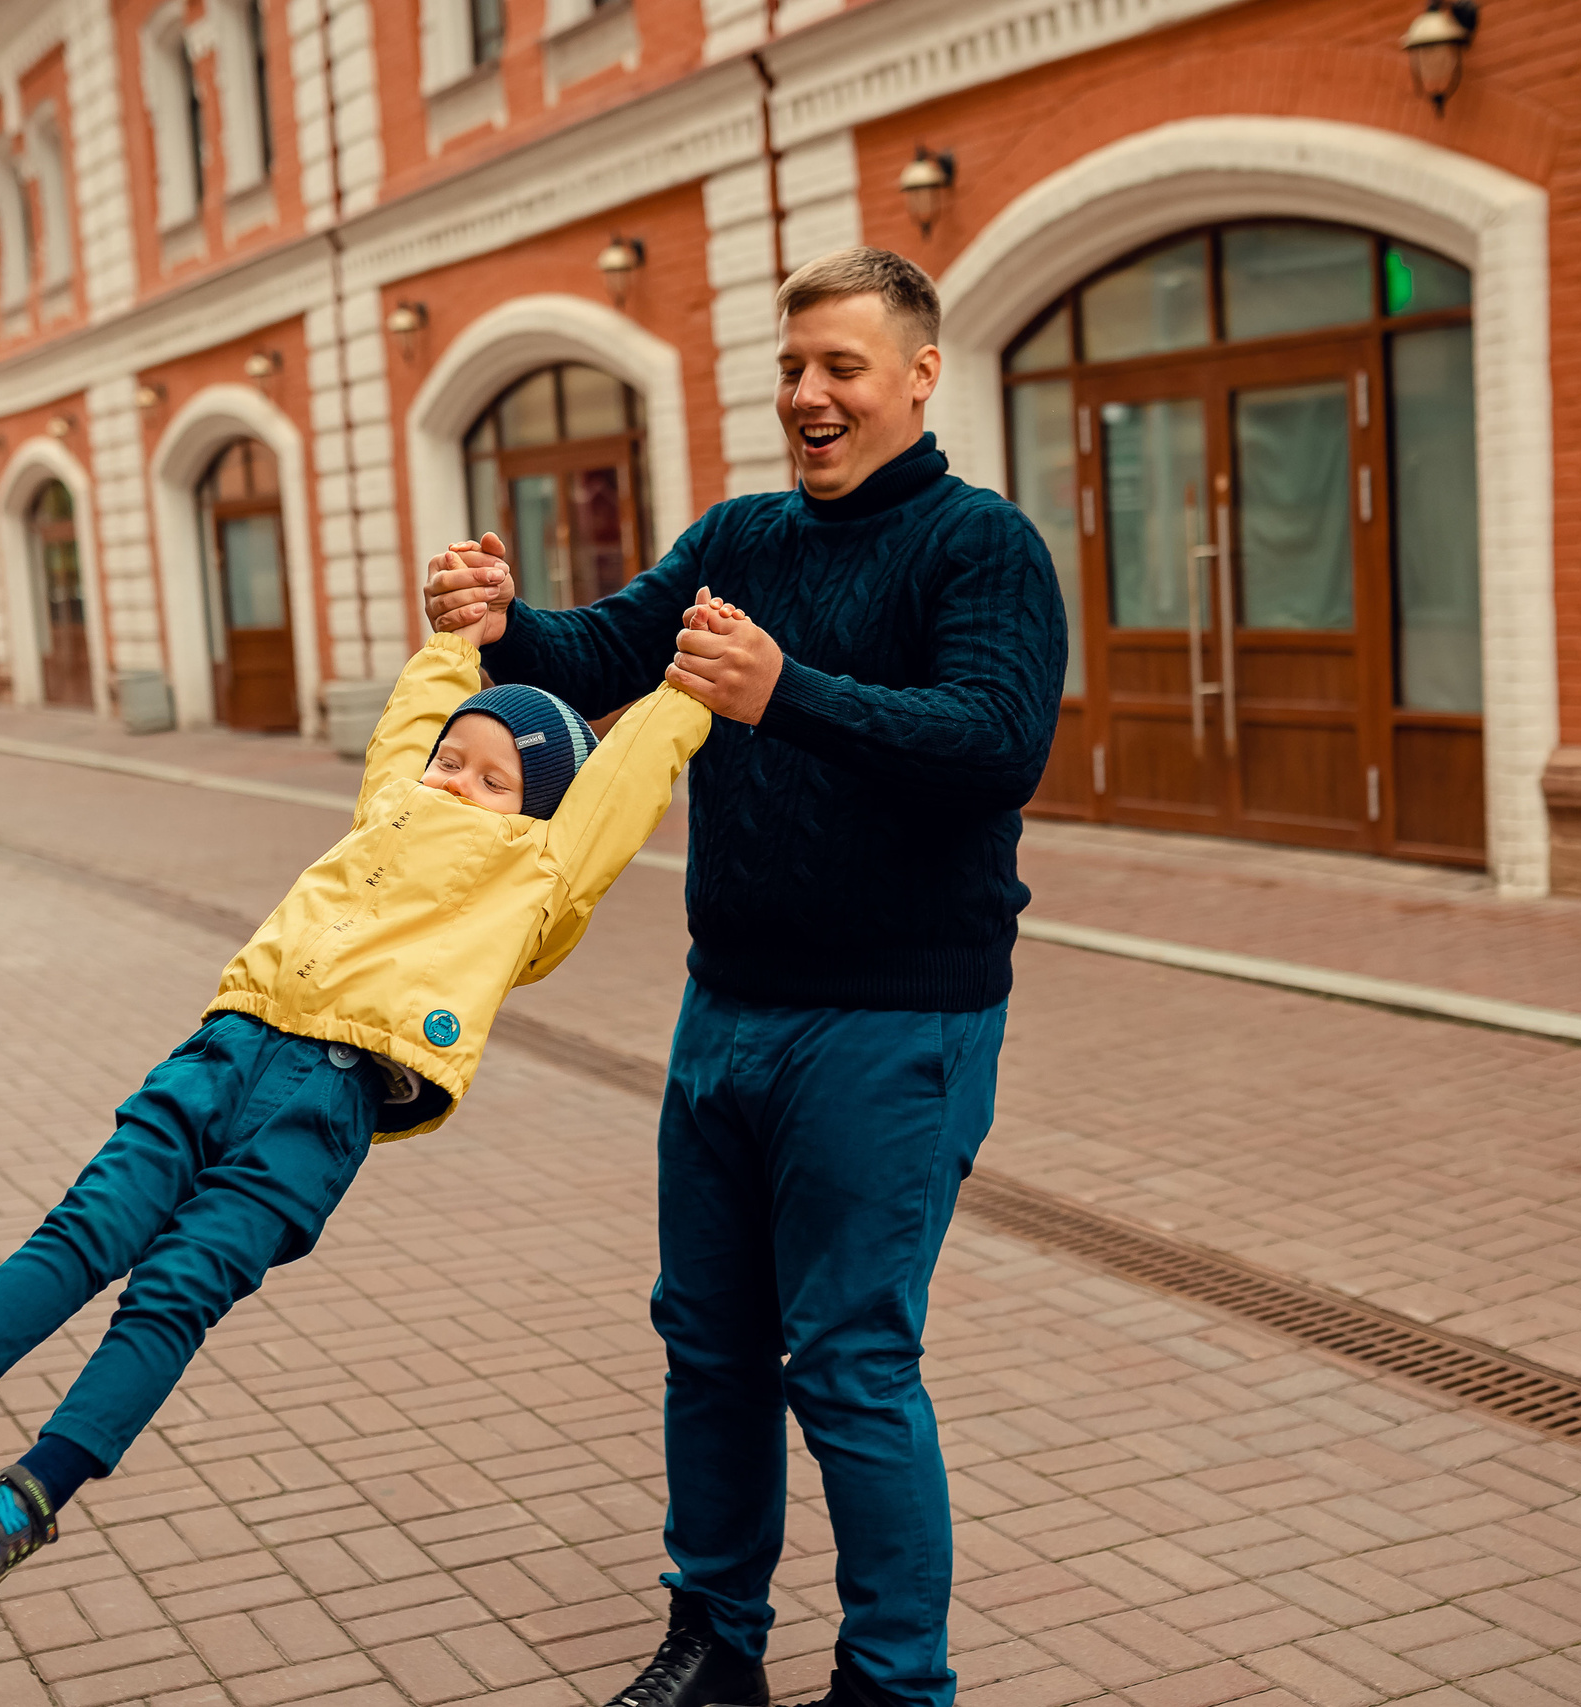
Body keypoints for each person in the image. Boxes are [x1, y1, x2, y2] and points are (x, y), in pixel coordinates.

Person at [424, 246, 1068, 1707]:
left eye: (841, 366)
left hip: (900, 1018)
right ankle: (715, 1640)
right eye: (792, 368)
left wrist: (789, 694)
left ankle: (895, 1680)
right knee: (708, 1340)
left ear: (918, 376)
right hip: (730, 1008)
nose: (808, 396)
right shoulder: (742, 536)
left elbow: (993, 742)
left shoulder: (982, 548)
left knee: (847, 1362)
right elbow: (594, 651)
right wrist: (498, 620)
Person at [0, 615, 713, 1603]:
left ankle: (27, 1501)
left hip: (323, 1108)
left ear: (537, 817)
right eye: (454, 758)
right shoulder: (389, 810)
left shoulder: (536, 878)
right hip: (222, 1050)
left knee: (172, 1295)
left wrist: (686, 689)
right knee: (84, 1228)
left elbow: (617, 792)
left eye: (495, 780)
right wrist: (452, 648)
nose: (455, 781)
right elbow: (409, 726)